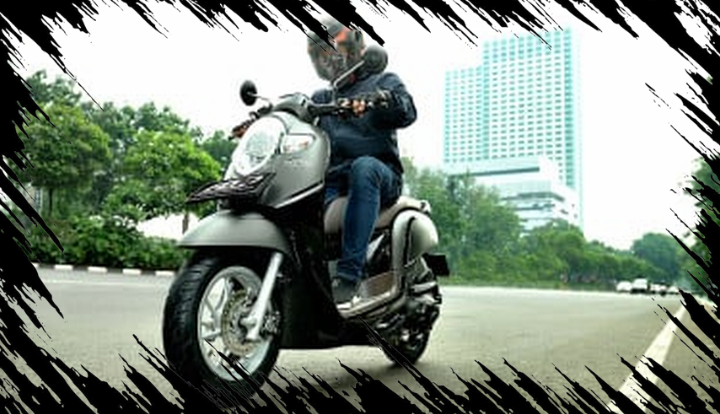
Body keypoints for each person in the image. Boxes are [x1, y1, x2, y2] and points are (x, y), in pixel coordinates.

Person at [307, 17, 417, 305]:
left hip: (380, 176)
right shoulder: (322, 97)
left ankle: (349, 277)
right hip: (335, 181)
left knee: (364, 167)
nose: (328, 58)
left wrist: (382, 99)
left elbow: (407, 111)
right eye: (321, 53)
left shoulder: (383, 80)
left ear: (354, 47)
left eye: (333, 49)